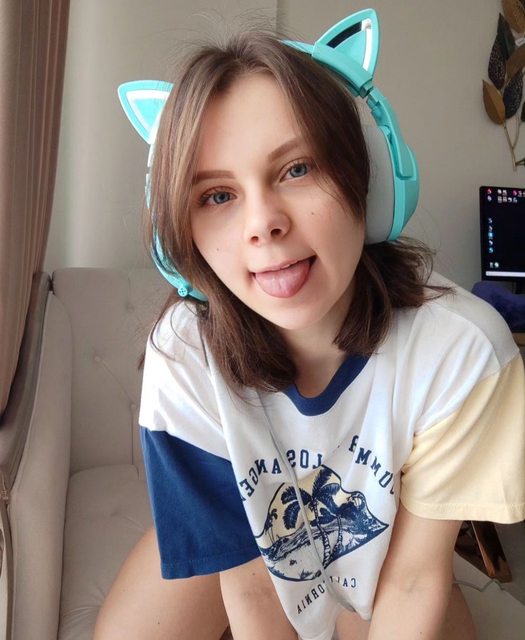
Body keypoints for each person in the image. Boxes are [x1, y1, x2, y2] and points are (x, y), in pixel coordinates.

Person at [95, 11, 525, 640]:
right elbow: (249, 582)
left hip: (385, 555)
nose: (262, 224)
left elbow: (413, 579)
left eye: (297, 169)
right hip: (250, 543)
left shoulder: (462, 350)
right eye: (217, 195)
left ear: (368, 178)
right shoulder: (185, 352)